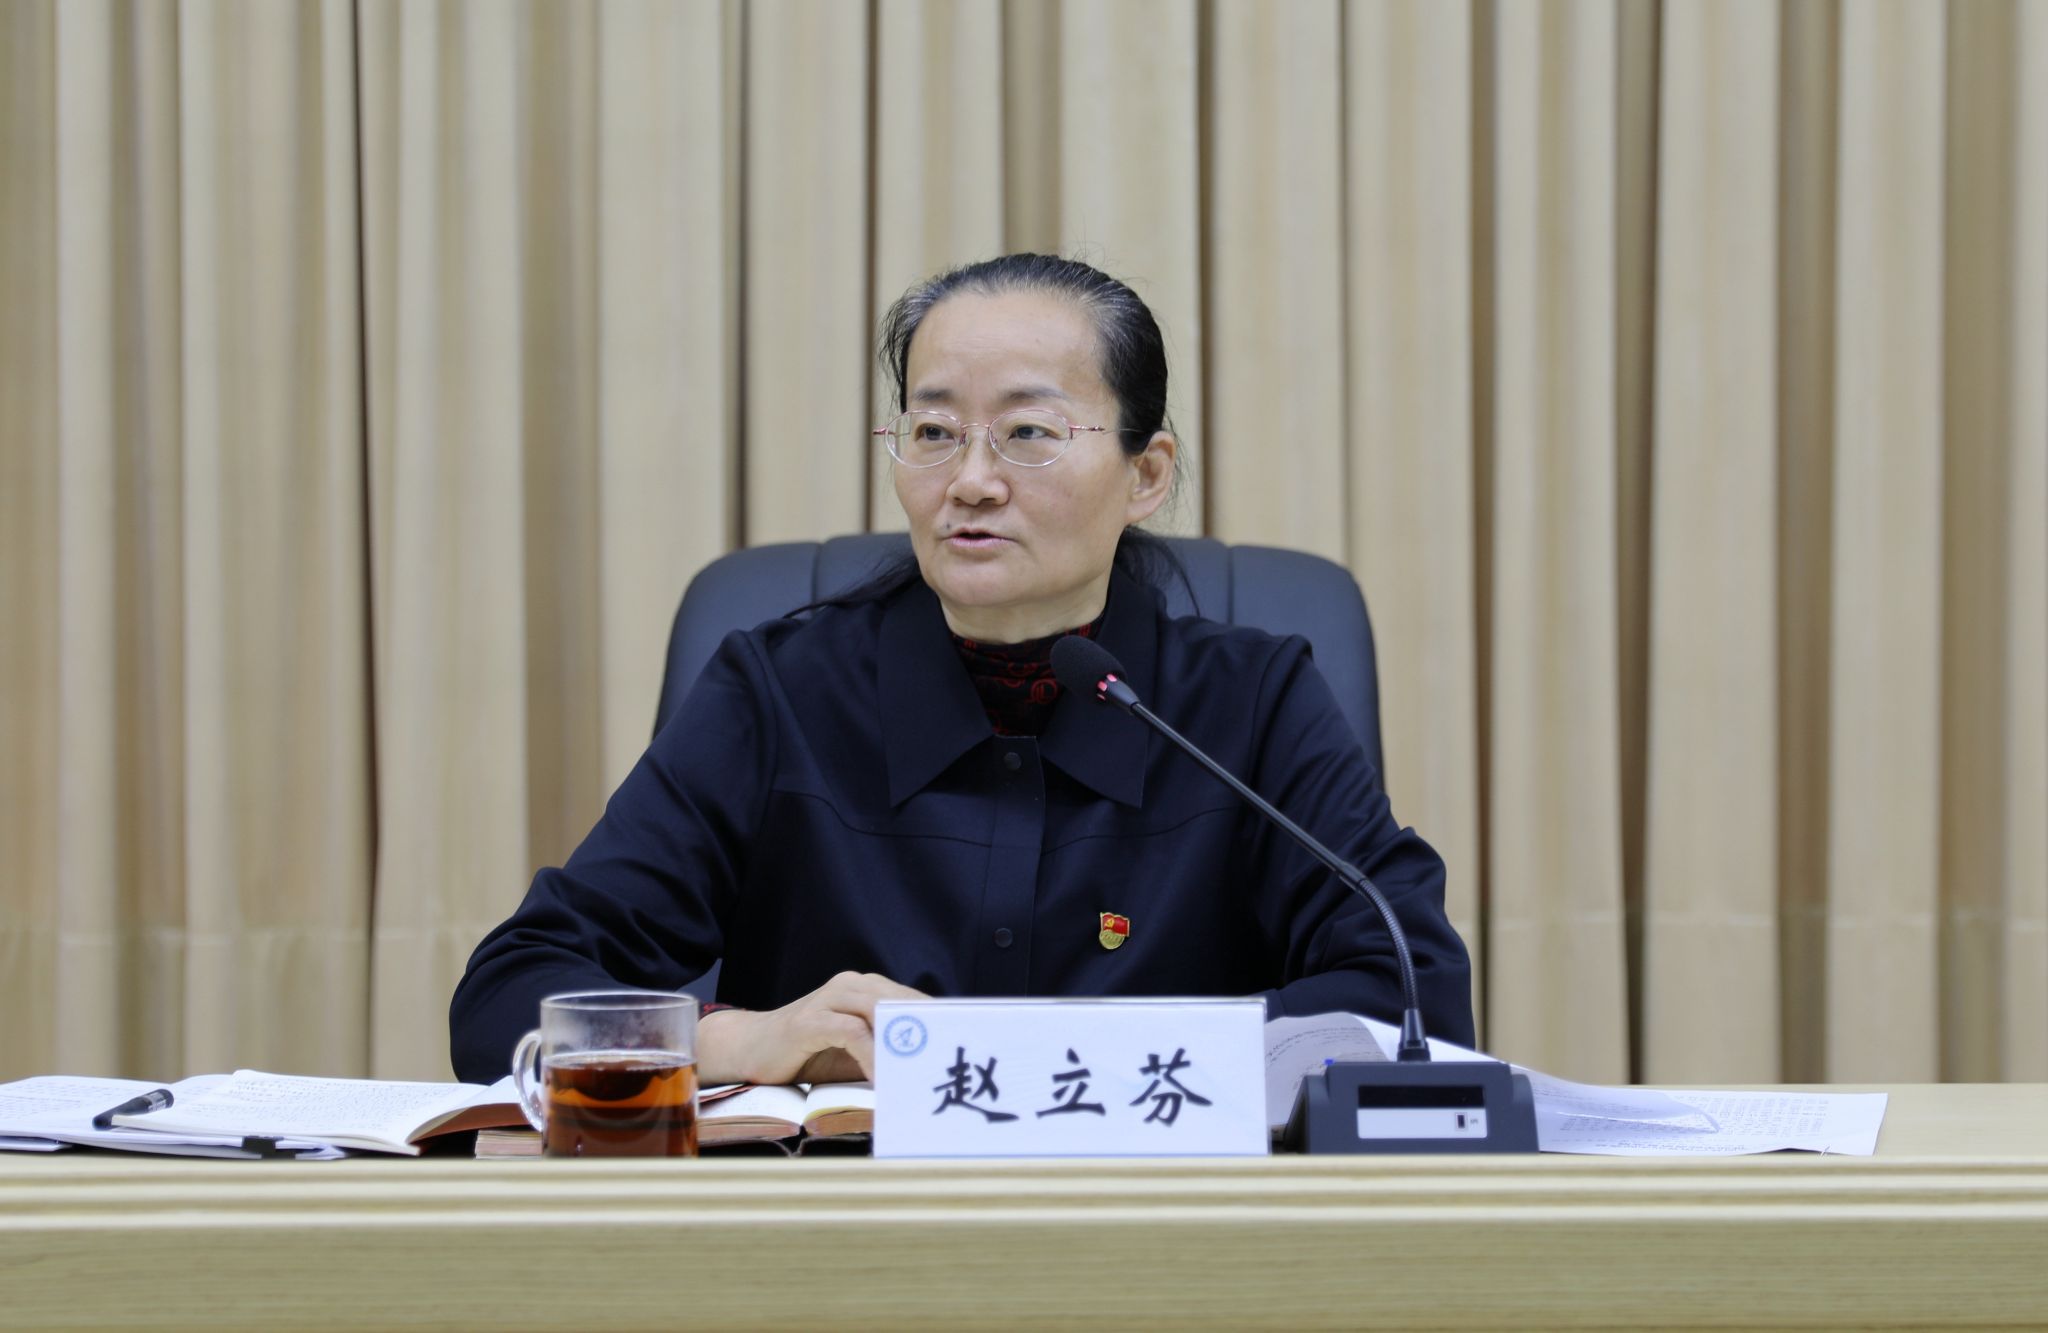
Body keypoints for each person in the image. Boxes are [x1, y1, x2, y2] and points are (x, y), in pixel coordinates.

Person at [448, 254, 1474, 1086]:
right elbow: (507, 997)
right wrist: (735, 1039)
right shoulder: (779, 693)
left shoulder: (1250, 704)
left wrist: (1046, 1065)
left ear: (1145, 474)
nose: (971, 481)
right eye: (934, 432)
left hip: (1155, 1230)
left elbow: (1412, 997)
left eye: (1027, 433)